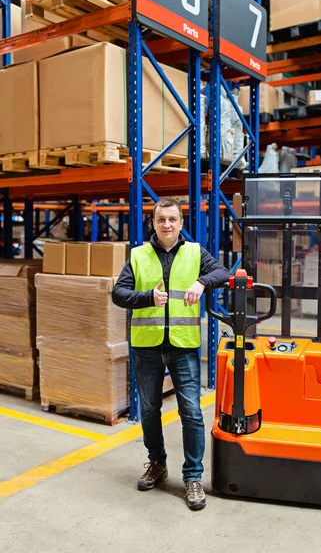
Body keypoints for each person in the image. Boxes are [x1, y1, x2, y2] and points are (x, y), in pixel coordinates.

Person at [112, 198, 230, 511]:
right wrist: (147, 297)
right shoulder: (138, 255)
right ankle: (157, 463)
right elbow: (118, 294)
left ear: (180, 223)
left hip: (182, 345)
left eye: (173, 219)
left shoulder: (195, 252)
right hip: (147, 345)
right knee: (150, 409)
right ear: (153, 223)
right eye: (161, 219)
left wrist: (203, 283)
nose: (167, 225)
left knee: (190, 411)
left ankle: (192, 477)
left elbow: (223, 272)